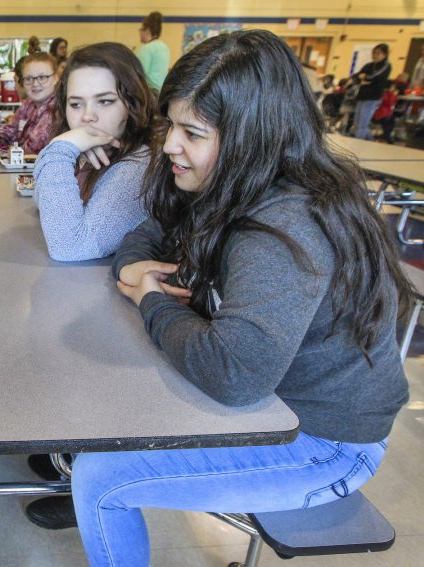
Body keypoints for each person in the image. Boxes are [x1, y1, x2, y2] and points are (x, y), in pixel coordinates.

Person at [68, 30, 410, 566]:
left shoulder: (284, 226)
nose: (171, 145)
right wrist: (136, 266)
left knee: (99, 478)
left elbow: (235, 375)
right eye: (169, 125)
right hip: (273, 403)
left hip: (325, 442)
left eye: (193, 132)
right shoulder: (225, 178)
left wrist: (150, 301)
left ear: (253, 136)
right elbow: (150, 230)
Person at [33, 42, 153, 261]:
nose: (88, 116)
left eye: (105, 101)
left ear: (133, 102)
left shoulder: (138, 164)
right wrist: (64, 150)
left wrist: (59, 152)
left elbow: (69, 248)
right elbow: (40, 199)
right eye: (76, 104)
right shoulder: (91, 150)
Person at [0, 52, 58, 154]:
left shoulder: (55, 110)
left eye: (42, 77)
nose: (35, 84)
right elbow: (10, 131)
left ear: (55, 78)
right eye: (29, 79)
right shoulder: (28, 104)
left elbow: (31, 150)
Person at [352, 43, 392, 140]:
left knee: (362, 123)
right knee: (357, 122)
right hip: (362, 95)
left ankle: (357, 143)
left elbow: (377, 77)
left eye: (378, 53)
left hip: (372, 97)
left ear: (385, 55)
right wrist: (363, 79)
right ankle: (371, 139)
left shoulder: (386, 65)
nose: (375, 55)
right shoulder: (369, 65)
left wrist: (366, 77)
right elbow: (357, 76)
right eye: (374, 52)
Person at [137, 11, 170, 93]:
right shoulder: (164, 47)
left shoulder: (146, 49)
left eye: (141, 29)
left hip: (149, 93)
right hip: (161, 92)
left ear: (147, 30)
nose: (140, 33)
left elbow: (139, 74)